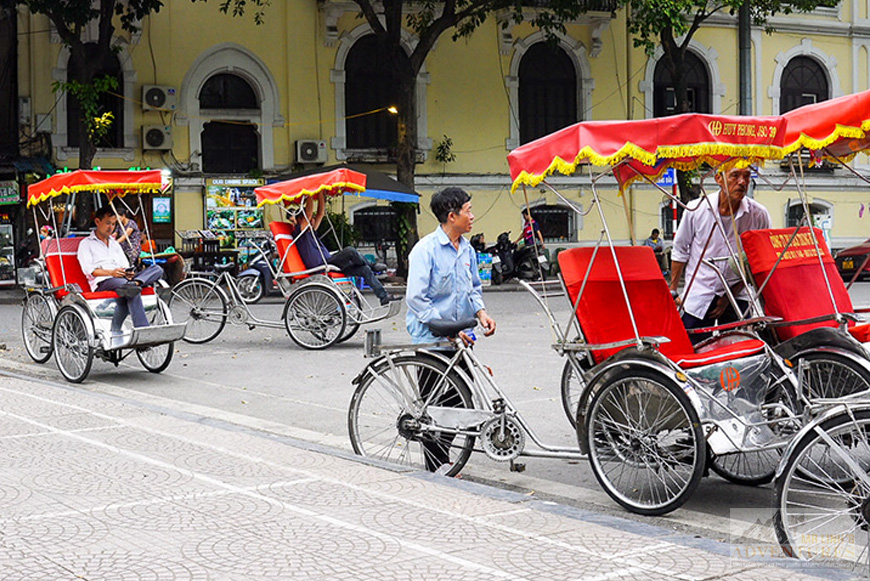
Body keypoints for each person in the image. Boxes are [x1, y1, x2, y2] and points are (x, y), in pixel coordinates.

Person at [668, 166, 771, 343]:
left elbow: (759, 260)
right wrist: (673, 290)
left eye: (746, 176)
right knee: (691, 345)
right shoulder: (697, 209)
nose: (742, 182)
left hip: (737, 293)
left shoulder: (758, 214)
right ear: (719, 179)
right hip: (700, 290)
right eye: (734, 176)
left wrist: (730, 295)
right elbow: (680, 249)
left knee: (736, 347)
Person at [406, 186, 496, 344]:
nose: (472, 217)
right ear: (452, 216)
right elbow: (416, 298)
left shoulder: (467, 249)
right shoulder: (425, 250)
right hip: (432, 341)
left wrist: (481, 313)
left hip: (463, 338)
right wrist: (447, 328)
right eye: (468, 211)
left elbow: (474, 288)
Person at [292, 192, 400, 305]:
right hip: (322, 265)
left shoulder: (310, 231)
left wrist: (320, 194)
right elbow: (309, 214)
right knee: (350, 251)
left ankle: (383, 296)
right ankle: (372, 265)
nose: (312, 220)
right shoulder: (300, 233)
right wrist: (309, 193)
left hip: (330, 263)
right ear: (300, 220)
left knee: (364, 270)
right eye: (308, 219)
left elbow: (320, 213)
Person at [77, 205, 164, 339]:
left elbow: (124, 265)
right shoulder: (86, 244)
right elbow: (89, 270)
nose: (111, 227)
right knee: (131, 290)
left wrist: (129, 273)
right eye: (108, 223)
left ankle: (135, 283)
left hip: (123, 279)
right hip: (104, 281)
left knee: (157, 269)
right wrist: (111, 273)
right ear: (97, 222)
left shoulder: (114, 243)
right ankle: (143, 331)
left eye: (113, 224)